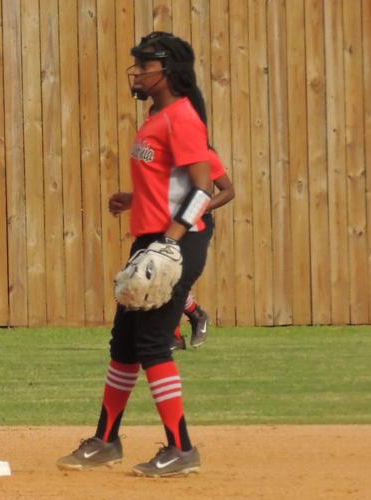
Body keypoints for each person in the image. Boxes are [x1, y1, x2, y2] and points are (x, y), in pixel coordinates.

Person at [57, 32, 212, 477]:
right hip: (151, 239)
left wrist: (172, 239)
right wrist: (135, 198)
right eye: (138, 65)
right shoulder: (156, 115)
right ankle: (106, 440)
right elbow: (171, 183)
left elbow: (203, 188)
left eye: (146, 65)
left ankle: (181, 448)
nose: (139, 72)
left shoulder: (182, 117)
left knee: (150, 344)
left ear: (169, 71)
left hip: (175, 244)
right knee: (124, 344)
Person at [171, 149, 235, 350]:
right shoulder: (163, 152)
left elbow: (228, 191)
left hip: (197, 224)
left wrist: (202, 207)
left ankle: (175, 334)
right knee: (165, 277)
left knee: (177, 281)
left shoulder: (204, 154)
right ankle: (189, 321)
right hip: (168, 221)